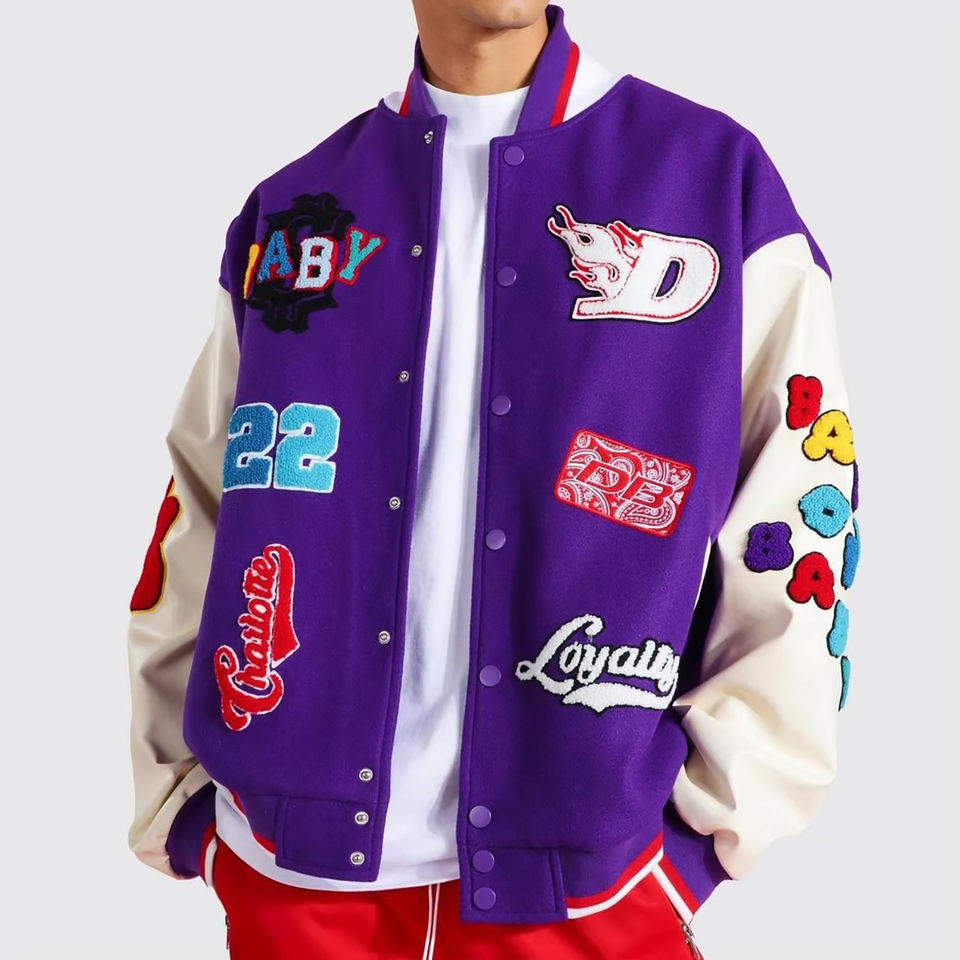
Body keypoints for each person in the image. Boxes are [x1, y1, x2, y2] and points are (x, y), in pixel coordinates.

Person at [125, 2, 862, 957]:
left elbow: (801, 510)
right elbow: (201, 504)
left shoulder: (714, 184)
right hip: (291, 884)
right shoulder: (296, 211)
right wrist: (185, 805)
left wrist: (705, 838)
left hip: (593, 897)